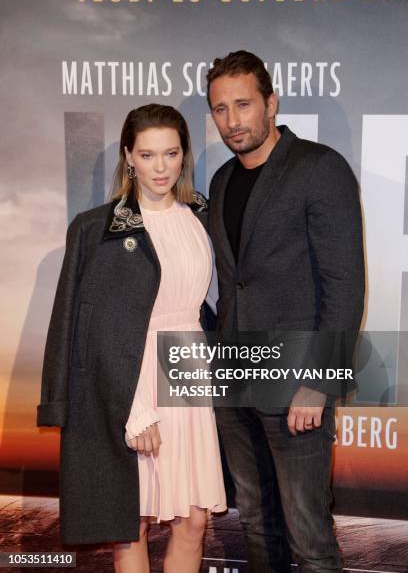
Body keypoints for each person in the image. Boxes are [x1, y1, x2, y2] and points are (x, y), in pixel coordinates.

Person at [37, 104, 227, 573]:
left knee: (194, 521)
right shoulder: (98, 228)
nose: (160, 167)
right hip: (130, 384)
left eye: (171, 153)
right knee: (133, 522)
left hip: (188, 375)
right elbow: (93, 329)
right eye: (147, 155)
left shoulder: (201, 217)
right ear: (128, 157)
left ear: (184, 156)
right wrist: (136, 409)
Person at [206, 51, 365, 572]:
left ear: (271, 103)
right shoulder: (222, 181)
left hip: (296, 382)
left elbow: (344, 286)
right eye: (220, 109)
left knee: (308, 535)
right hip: (233, 383)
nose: (232, 120)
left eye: (244, 104)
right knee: (254, 521)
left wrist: (318, 383)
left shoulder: (319, 168)